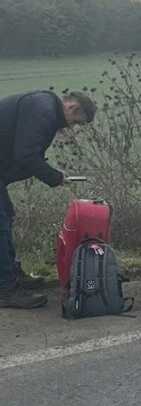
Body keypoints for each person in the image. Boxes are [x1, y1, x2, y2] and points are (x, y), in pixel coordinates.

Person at [0, 90, 96, 308]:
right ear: (72, 108)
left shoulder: (44, 107)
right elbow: (25, 155)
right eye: (76, 123)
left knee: (5, 216)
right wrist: (54, 176)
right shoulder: (43, 109)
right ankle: (5, 289)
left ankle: (11, 276)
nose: (72, 127)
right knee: (0, 224)